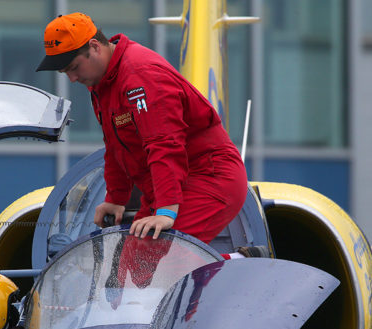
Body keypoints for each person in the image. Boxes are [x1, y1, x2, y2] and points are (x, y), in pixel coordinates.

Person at [36, 12, 249, 245]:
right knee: (134, 267)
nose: (73, 78)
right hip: (170, 185)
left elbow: (164, 142)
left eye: (74, 67)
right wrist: (117, 198)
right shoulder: (103, 82)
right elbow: (115, 145)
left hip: (207, 177)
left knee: (161, 254)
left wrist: (166, 210)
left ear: (95, 47)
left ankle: (237, 262)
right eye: (65, 72)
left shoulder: (140, 76)